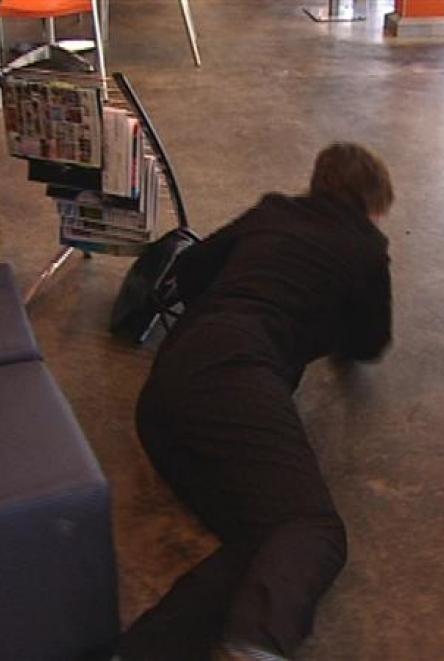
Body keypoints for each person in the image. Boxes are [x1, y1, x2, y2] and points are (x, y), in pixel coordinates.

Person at [115, 142, 394, 661]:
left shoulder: (274, 212)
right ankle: (256, 646)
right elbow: (369, 342)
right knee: (313, 529)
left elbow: (192, 269)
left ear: (319, 183)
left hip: (164, 394)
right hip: (234, 375)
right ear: (375, 203)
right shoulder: (365, 247)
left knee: (267, 540)